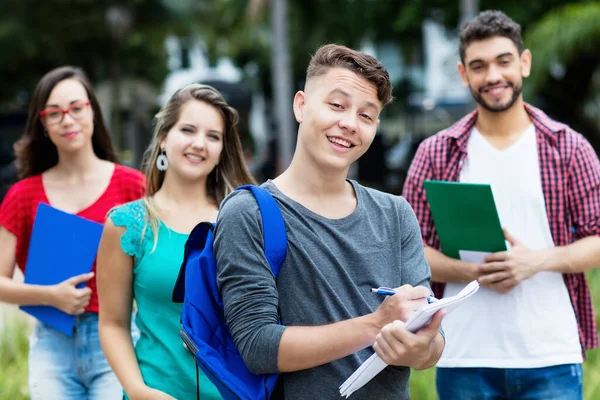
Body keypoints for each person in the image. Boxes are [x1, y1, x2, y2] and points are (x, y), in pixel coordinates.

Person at [213, 44, 446, 400]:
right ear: (301, 105)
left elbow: (431, 345)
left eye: (366, 116)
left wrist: (420, 348)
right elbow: (258, 346)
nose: (349, 124)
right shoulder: (249, 212)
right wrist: (376, 324)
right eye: (336, 105)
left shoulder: (396, 213)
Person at [403, 10, 600, 400]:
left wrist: (535, 261)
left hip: (551, 356)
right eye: (479, 66)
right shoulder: (437, 152)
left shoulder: (569, 147)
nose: (493, 76)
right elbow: (409, 249)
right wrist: (475, 272)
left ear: (523, 64)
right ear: (464, 74)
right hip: (465, 356)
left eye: (503, 61)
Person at [96, 83, 256, 400]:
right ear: (163, 137)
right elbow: (113, 323)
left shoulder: (242, 219)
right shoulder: (127, 224)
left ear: (223, 149)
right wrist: (138, 390)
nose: (199, 144)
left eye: (213, 136)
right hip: (156, 392)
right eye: (188, 130)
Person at [0, 66, 145, 399]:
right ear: (43, 125)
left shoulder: (132, 187)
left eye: (76, 108)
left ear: (93, 111)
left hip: (118, 338)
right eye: (54, 113)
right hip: (52, 343)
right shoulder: (22, 196)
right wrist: (50, 295)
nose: (67, 120)